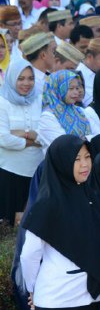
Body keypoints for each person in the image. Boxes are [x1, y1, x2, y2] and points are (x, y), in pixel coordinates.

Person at [20, 135, 100, 310]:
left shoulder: (91, 195)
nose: (85, 164)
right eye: (76, 158)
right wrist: (32, 289)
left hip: (88, 298)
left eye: (88, 157)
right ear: (61, 161)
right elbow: (29, 254)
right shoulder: (47, 203)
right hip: (58, 299)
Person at [0, 58, 43, 224]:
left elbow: (45, 134)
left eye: (30, 78)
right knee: (9, 224)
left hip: (36, 169)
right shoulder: (2, 102)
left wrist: (22, 134)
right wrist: (32, 138)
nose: (26, 83)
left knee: (33, 222)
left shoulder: (38, 100)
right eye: (21, 78)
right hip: (10, 170)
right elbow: (3, 139)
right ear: (11, 78)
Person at [37, 69, 91, 149]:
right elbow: (64, 145)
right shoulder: (47, 117)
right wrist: (87, 140)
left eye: (77, 88)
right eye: (71, 88)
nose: (76, 92)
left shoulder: (80, 111)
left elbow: (97, 137)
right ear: (57, 88)